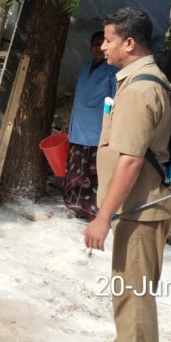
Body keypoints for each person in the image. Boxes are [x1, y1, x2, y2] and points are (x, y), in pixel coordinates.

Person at [82, 7, 171, 342]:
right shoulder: (136, 81)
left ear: (129, 43)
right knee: (125, 286)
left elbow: (132, 160)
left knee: (135, 292)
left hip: (142, 209)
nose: (103, 46)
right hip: (134, 208)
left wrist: (103, 217)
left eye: (108, 40)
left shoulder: (140, 89)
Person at [63, 30, 118, 220]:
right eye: (94, 43)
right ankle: (75, 206)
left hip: (96, 132)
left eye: (101, 43)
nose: (98, 47)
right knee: (75, 170)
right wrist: (68, 123)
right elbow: (78, 98)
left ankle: (93, 211)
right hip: (77, 129)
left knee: (93, 175)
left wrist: (109, 128)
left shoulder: (113, 71)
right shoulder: (85, 67)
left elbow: (114, 103)